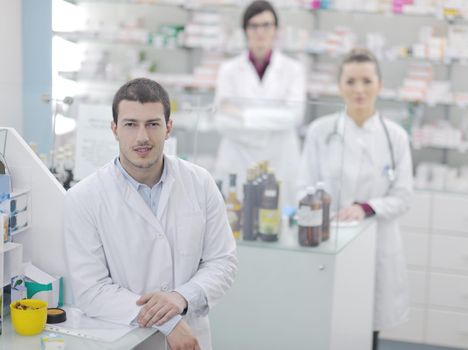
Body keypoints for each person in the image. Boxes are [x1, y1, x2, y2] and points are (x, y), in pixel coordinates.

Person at [64, 78, 238, 350]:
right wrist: (167, 321)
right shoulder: (84, 198)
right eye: (131, 124)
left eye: (153, 124)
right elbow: (92, 291)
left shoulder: (199, 182)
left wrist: (181, 298)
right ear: (114, 129)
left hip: (190, 338)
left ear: (168, 128)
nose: (142, 137)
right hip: (127, 341)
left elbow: (223, 262)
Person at [298, 48, 413, 350]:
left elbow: (403, 196)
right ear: (339, 86)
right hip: (329, 244)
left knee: (367, 328)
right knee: (327, 326)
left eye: (366, 81)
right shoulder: (320, 132)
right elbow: (303, 185)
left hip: (378, 244)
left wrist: (366, 208)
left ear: (380, 85)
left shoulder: (395, 136)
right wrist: (318, 208)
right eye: (350, 81)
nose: (359, 89)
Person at [214, 0, 306, 205]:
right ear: (245, 31)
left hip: (280, 159)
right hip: (238, 160)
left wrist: (243, 115)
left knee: (277, 224)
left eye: (266, 25)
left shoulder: (293, 70)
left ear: (276, 30)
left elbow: (293, 116)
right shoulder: (228, 70)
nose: (260, 32)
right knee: (235, 222)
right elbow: (222, 121)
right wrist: (272, 121)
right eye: (254, 26)